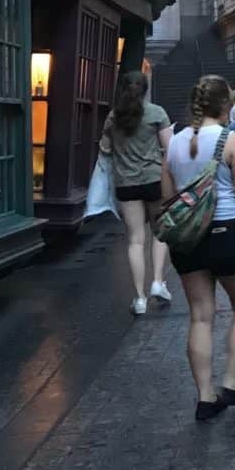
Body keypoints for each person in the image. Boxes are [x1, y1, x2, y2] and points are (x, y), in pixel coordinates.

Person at [162, 75, 235, 421]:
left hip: (187, 239)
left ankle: (205, 396)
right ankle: (233, 381)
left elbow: (167, 198)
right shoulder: (231, 139)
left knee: (200, 315)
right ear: (225, 104)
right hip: (226, 230)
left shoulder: (175, 142)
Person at [99, 71, 173, 316]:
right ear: (145, 89)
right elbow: (169, 149)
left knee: (135, 240)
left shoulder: (113, 116)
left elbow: (105, 150)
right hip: (153, 180)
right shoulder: (157, 113)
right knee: (159, 233)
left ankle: (139, 299)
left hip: (126, 183)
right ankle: (158, 282)